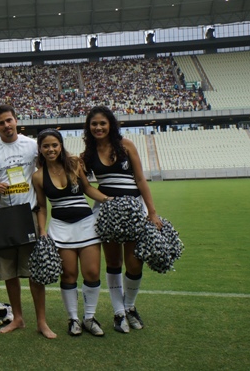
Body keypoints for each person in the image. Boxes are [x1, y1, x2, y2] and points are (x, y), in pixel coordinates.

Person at [81, 105, 162, 334]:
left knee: (135, 262)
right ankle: (118, 313)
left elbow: (140, 179)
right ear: (89, 127)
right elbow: (84, 185)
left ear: (111, 125)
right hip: (107, 211)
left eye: (102, 123)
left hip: (135, 209)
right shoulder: (88, 153)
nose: (98, 127)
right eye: (94, 124)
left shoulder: (126, 145)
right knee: (114, 263)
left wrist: (152, 212)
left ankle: (130, 306)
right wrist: (107, 200)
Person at [0, 105, 56, 338]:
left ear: (16, 120)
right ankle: (19, 318)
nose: (6, 125)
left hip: (27, 215)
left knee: (34, 272)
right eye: (1, 123)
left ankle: (41, 322)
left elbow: (46, 170)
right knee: (9, 273)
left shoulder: (32, 146)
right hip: (0, 218)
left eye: (9, 120)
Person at [32, 128, 112, 337]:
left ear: (61, 146)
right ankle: (73, 319)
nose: (51, 149)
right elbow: (41, 206)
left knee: (92, 273)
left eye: (54, 145)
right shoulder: (38, 176)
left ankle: (89, 318)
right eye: (46, 146)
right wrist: (42, 231)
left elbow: (87, 189)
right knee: (68, 275)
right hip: (60, 228)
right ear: (40, 149)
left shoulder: (74, 164)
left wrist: (107, 199)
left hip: (86, 224)